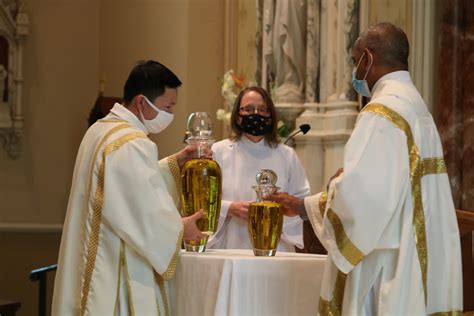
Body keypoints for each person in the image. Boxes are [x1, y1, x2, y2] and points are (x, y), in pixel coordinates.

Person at [268, 22, 463, 315]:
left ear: (367, 59)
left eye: (354, 61)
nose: (355, 73)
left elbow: (362, 200)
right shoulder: (415, 106)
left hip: (387, 267)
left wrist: (314, 200)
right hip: (415, 259)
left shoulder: (381, 112)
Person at [52, 60, 206, 316]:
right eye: (167, 107)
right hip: (114, 267)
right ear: (142, 102)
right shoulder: (132, 143)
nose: (170, 114)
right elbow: (141, 209)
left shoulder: (100, 131)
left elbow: (121, 189)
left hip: (92, 255)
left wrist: (174, 163)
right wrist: (180, 229)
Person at [207, 86, 310, 252]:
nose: (256, 114)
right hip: (230, 244)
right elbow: (204, 200)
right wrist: (229, 208)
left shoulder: (286, 155)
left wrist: (276, 209)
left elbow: (301, 200)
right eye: (248, 109)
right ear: (237, 116)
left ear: (270, 115)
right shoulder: (219, 152)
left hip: (276, 245)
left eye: (262, 110)